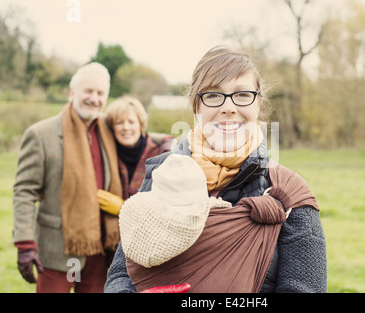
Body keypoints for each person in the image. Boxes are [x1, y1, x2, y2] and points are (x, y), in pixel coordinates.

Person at [104, 46, 327, 293]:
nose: (228, 107)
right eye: (213, 95)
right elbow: (121, 273)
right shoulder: (163, 176)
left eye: (242, 95)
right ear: (196, 105)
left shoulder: (288, 193)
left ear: (258, 104)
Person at [13, 62, 122, 293]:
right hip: (57, 249)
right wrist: (25, 244)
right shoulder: (41, 134)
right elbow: (24, 192)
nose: (94, 98)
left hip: (100, 249)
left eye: (100, 93)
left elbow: (140, 139)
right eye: (88, 91)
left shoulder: (109, 130)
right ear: (72, 93)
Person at [100, 96, 174, 213]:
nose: (126, 127)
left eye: (131, 122)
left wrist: (123, 208)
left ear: (140, 124)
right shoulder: (108, 155)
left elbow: (164, 205)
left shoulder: (158, 155)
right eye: (119, 122)